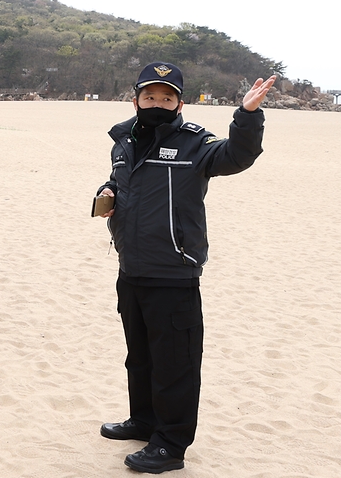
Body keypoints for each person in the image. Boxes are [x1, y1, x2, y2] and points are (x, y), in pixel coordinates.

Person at [95, 62, 274, 474]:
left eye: (167, 97)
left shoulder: (196, 144)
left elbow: (237, 155)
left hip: (173, 274)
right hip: (132, 269)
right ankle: (144, 421)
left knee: (175, 364)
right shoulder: (123, 141)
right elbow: (119, 181)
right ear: (136, 98)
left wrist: (247, 116)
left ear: (180, 103)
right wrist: (105, 191)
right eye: (150, 96)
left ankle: (170, 445)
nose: (158, 103)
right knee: (139, 358)